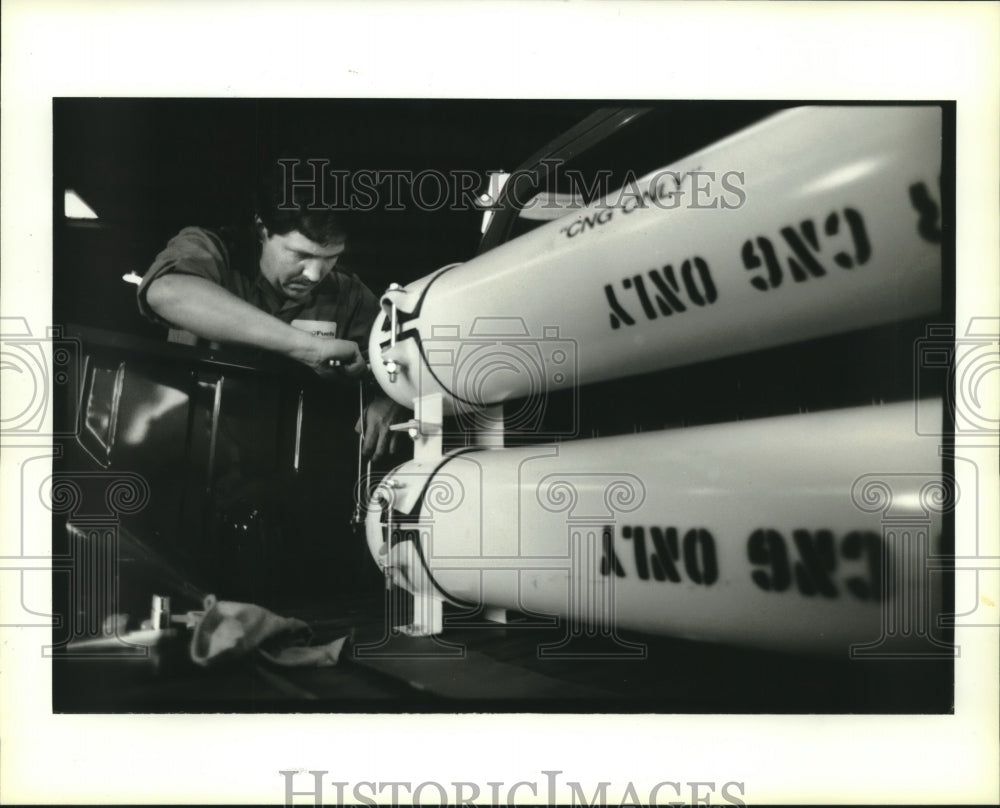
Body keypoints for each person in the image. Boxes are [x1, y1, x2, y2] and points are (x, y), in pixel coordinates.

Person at [137, 157, 404, 460]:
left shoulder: (349, 295)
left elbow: (408, 359)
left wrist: (391, 398)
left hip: (291, 463)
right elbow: (166, 292)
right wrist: (309, 348)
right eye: (300, 254)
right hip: (193, 449)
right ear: (262, 229)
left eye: (331, 257)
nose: (316, 275)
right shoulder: (213, 251)